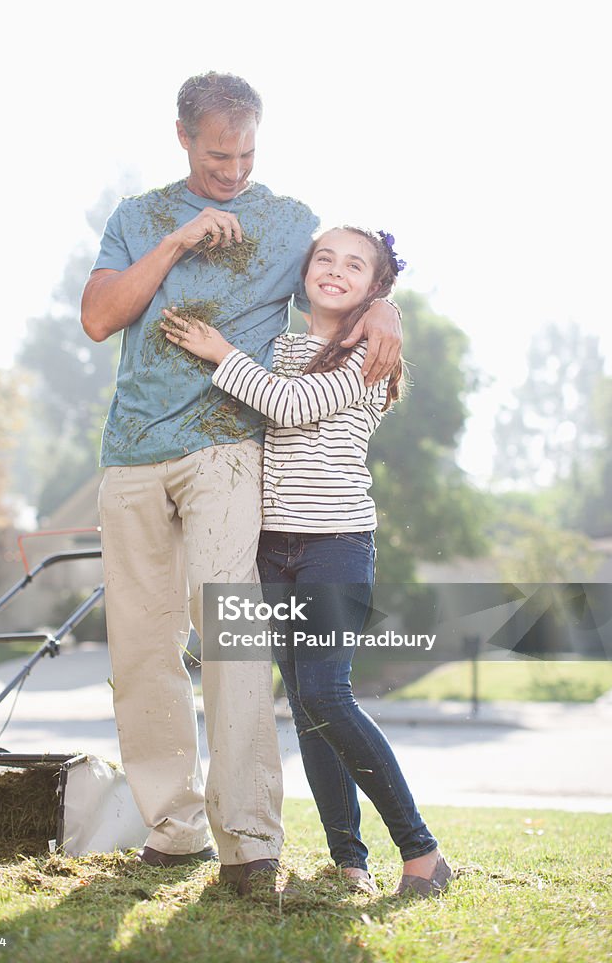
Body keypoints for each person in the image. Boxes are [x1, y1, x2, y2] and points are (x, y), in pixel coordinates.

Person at [80, 72, 402, 896]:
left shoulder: (289, 221)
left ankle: (251, 844)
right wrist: (178, 242)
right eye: (218, 154)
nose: (232, 170)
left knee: (231, 646)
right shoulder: (137, 217)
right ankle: (173, 828)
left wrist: (388, 311)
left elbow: (344, 281)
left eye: (247, 152)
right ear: (182, 137)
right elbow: (99, 316)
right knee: (145, 653)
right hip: (132, 452)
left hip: (228, 450)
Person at [161, 224, 452, 898]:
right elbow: (262, 386)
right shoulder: (277, 344)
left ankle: (421, 851)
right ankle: (348, 860)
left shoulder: (369, 353)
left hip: (334, 546)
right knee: (306, 707)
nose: (335, 270)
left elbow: (289, 407)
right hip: (271, 549)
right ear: (303, 272)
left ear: (374, 287)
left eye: (355, 265)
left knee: (327, 693)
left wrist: (218, 351)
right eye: (324, 257)